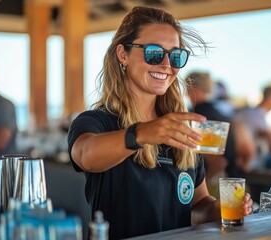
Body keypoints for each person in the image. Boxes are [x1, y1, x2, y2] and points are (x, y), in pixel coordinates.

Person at [68, 6, 252, 239]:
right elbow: (86, 155)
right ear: (123, 54)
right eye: (154, 52)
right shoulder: (97, 121)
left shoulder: (180, 129)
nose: (167, 64)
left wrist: (218, 209)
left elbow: (197, 207)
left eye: (175, 55)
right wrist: (142, 134)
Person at [185, 72, 255, 180]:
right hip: (233, 181)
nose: (185, 94)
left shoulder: (198, 115)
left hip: (215, 186)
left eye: (187, 89)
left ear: (194, 88)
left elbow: (217, 163)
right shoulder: (223, 114)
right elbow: (248, 149)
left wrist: (198, 189)